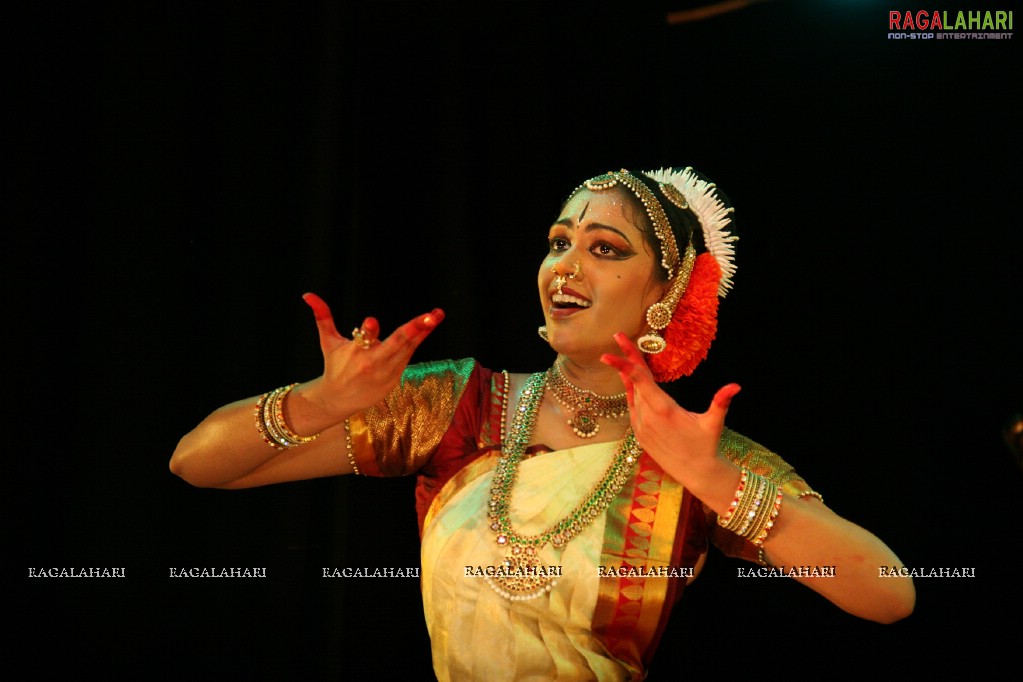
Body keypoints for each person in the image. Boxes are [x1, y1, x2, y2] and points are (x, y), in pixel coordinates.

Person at [170, 166, 915, 680]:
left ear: (669, 292)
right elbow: (196, 463)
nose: (565, 265)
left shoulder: (692, 454)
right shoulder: (462, 403)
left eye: (604, 250)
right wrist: (319, 405)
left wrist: (715, 481)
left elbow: (888, 593)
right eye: (559, 242)